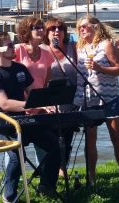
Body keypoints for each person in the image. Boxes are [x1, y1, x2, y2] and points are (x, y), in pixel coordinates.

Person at [0, 32, 61, 203]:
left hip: (23, 121)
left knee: (55, 145)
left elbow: (33, 93)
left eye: (12, 44)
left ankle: (47, 186)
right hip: (2, 124)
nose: (14, 47)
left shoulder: (20, 69)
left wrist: (46, 103)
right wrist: (32, 105)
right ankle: (9, 196)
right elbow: (4, 104)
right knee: (16, 157)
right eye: (9, 45)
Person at [74, 14, 119, 184]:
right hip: (88, 99)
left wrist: (100, 68)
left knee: (115, 137)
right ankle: (91, 177)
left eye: (85, 26)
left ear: (95, 26)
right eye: (79, 27)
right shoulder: (79, 47)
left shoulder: (106, 45)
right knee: (90, 139)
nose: (82, 29)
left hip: (108, 97)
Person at [43, 17, 78, 175]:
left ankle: (63, 169)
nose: (56, 31)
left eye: (60, 28)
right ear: (47, 33)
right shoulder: (42, 50)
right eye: (52, 29)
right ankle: (50, 171)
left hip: (70, 102)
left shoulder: (73, 48)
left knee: (67, 139)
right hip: (48, 104)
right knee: (52, 140)